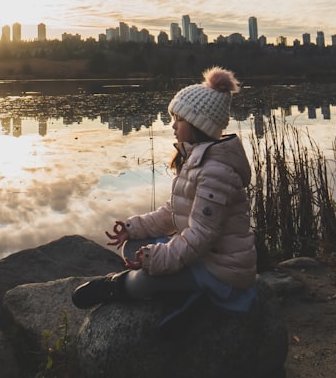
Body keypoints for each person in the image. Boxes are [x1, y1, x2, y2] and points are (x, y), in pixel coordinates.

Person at [71, 67, 257, 320]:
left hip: (222, 271)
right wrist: (133, 228)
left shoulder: (216, 172)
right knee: (134, 246)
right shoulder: (195, 159)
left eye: (178, 119)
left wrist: (156, 260)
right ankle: (180, 290)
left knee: (145, 280)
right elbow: (173, 213)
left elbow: (201, 236)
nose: (172, 125)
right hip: (202, 257)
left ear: (197, 124)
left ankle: (116, 286)